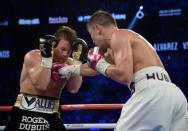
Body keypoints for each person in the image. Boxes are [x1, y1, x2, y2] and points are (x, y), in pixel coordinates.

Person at [58, 10, 188, 131]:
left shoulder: (119, 35)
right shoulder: (125, 42)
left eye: (91, 35)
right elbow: (93, 68)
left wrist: (101, 64)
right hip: (175, 96)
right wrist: (68, 69)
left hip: (151, 93)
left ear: (97, 29)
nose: (93, 41)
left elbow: (124, 75)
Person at [4, 26, 90, 131]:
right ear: (53, 45)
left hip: (51, 113)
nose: (65, 54)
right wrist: (47, 58)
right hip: (25, 111)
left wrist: (78, 62)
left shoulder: (70, 63)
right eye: (63, 49)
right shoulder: (34, 56)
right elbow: (41, 85)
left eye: (69, 51)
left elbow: (74, 89)